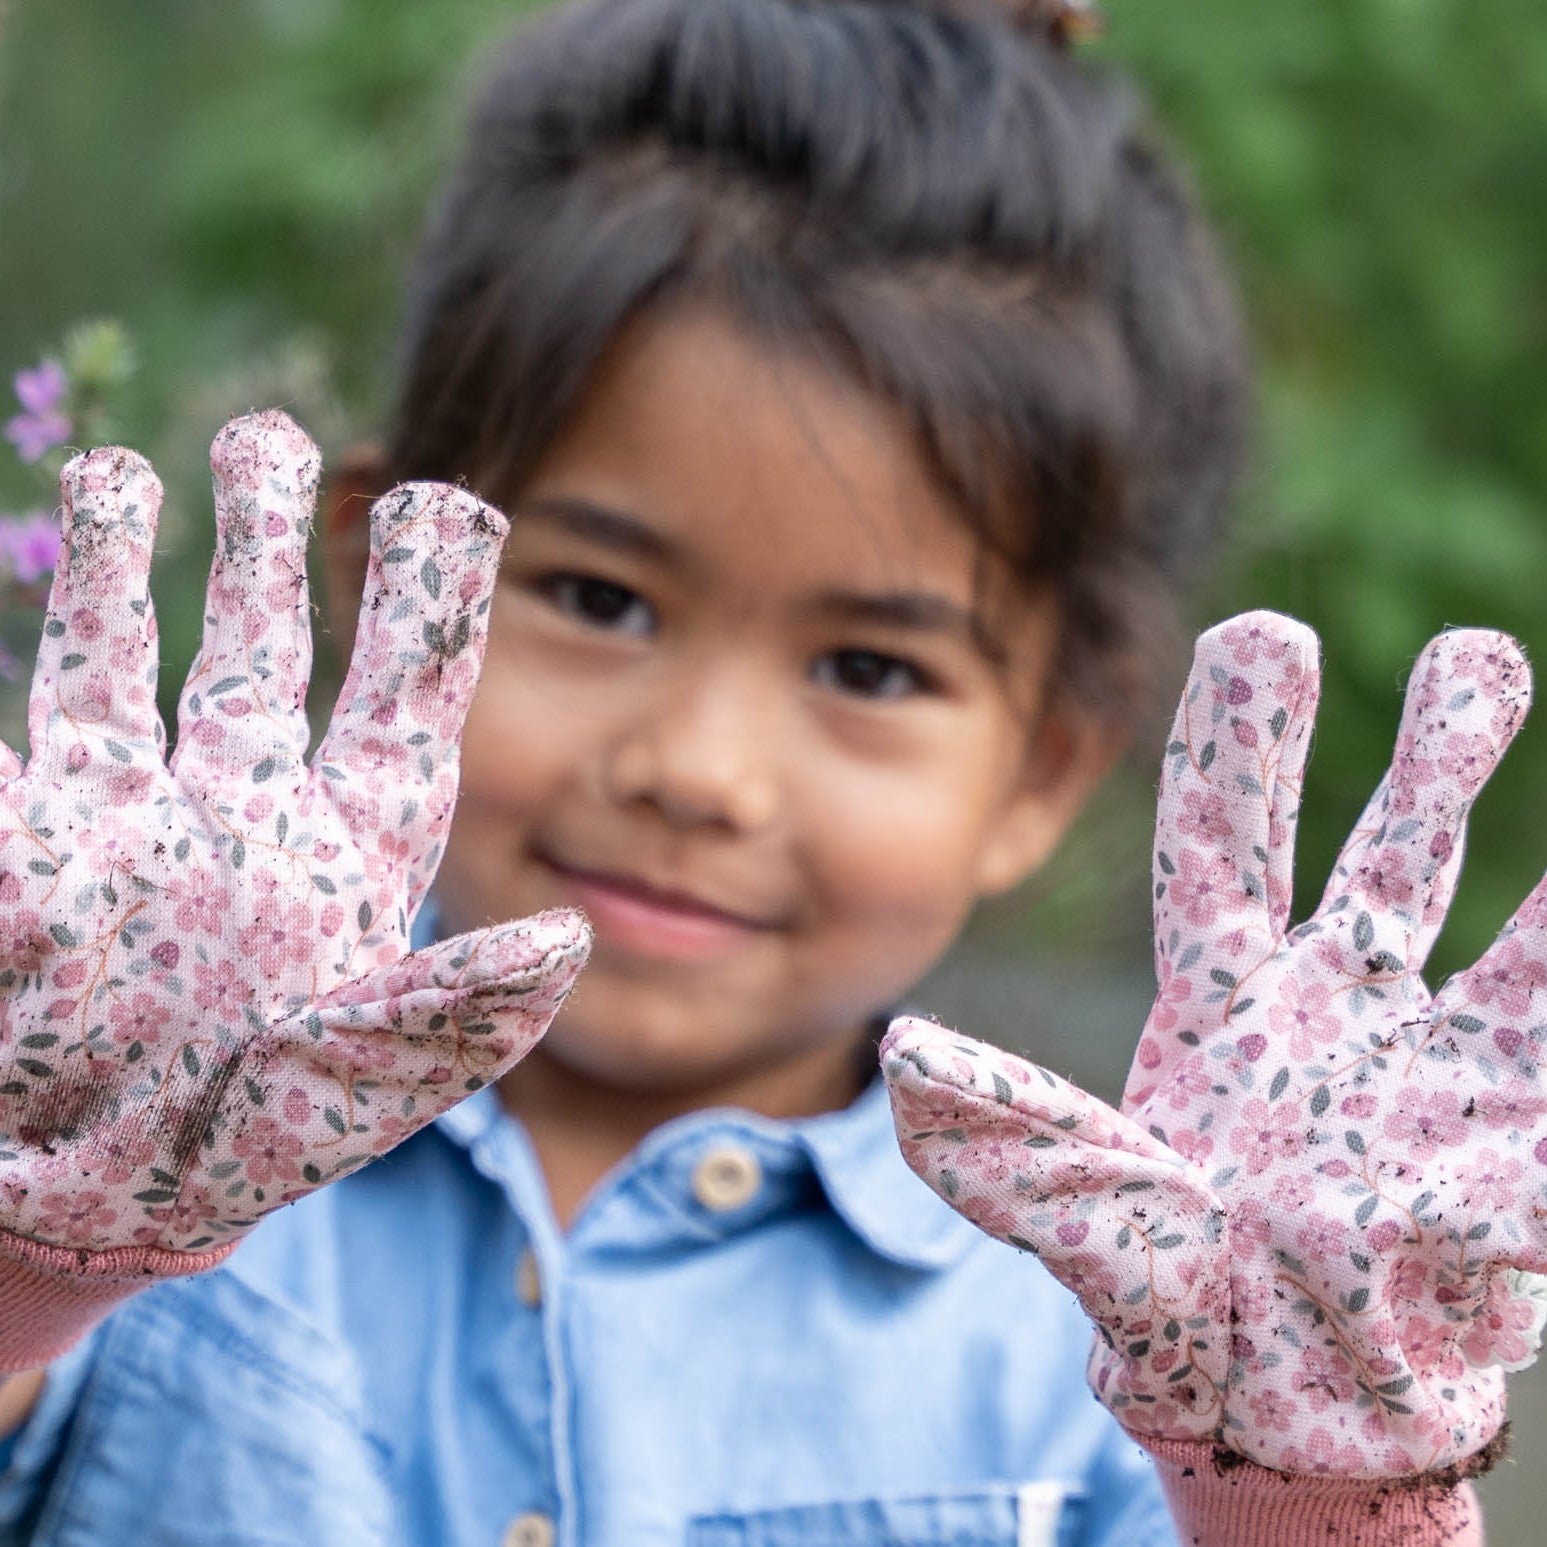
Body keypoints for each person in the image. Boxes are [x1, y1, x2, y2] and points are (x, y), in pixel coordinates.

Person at [0, 0, 1500, 1541]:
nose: (699, 773)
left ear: (1043, 771)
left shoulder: (1136, 1351)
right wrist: (32, 1269)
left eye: (868, 670)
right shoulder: (130, 1154)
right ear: (385, 586)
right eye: (600, 598)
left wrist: (1314, 1499)